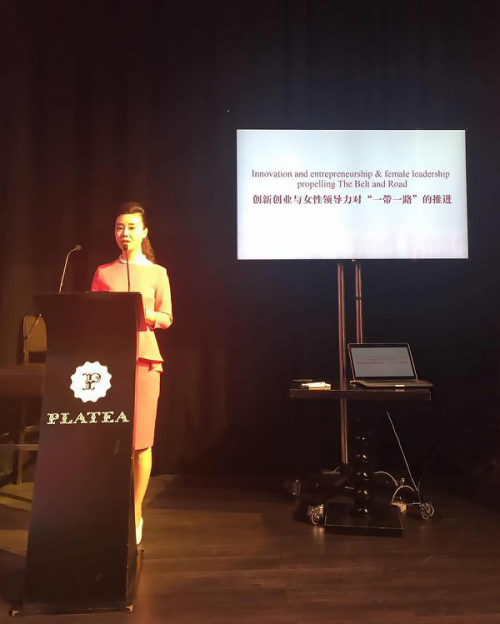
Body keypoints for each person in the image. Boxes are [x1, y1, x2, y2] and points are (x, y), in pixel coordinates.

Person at [91, 202, 173, 545]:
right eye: (119, 227)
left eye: (131, 227)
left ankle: (135, 512)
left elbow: (167, 317)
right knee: (109, 440)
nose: (124, 233)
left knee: (140, 442)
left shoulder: (157, 273)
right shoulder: (103, 272)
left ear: (144, 232)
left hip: (143, 361)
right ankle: (106, 509)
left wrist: (146, 313)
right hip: (108, 364)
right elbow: (91, 316)